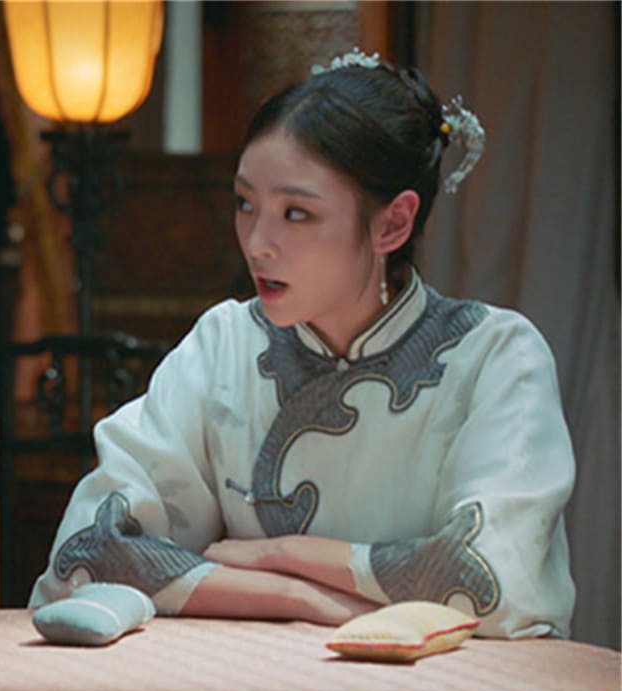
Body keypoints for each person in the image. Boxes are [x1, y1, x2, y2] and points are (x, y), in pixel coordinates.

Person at [29, 48, 575, 639]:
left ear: (392, 223)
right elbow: (93, 552)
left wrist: (281, 553)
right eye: (245, 204)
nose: (257, 243)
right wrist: (302, 599)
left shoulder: (494, 356)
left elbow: (490, 580)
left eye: (296, 213)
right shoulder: (225, 344)